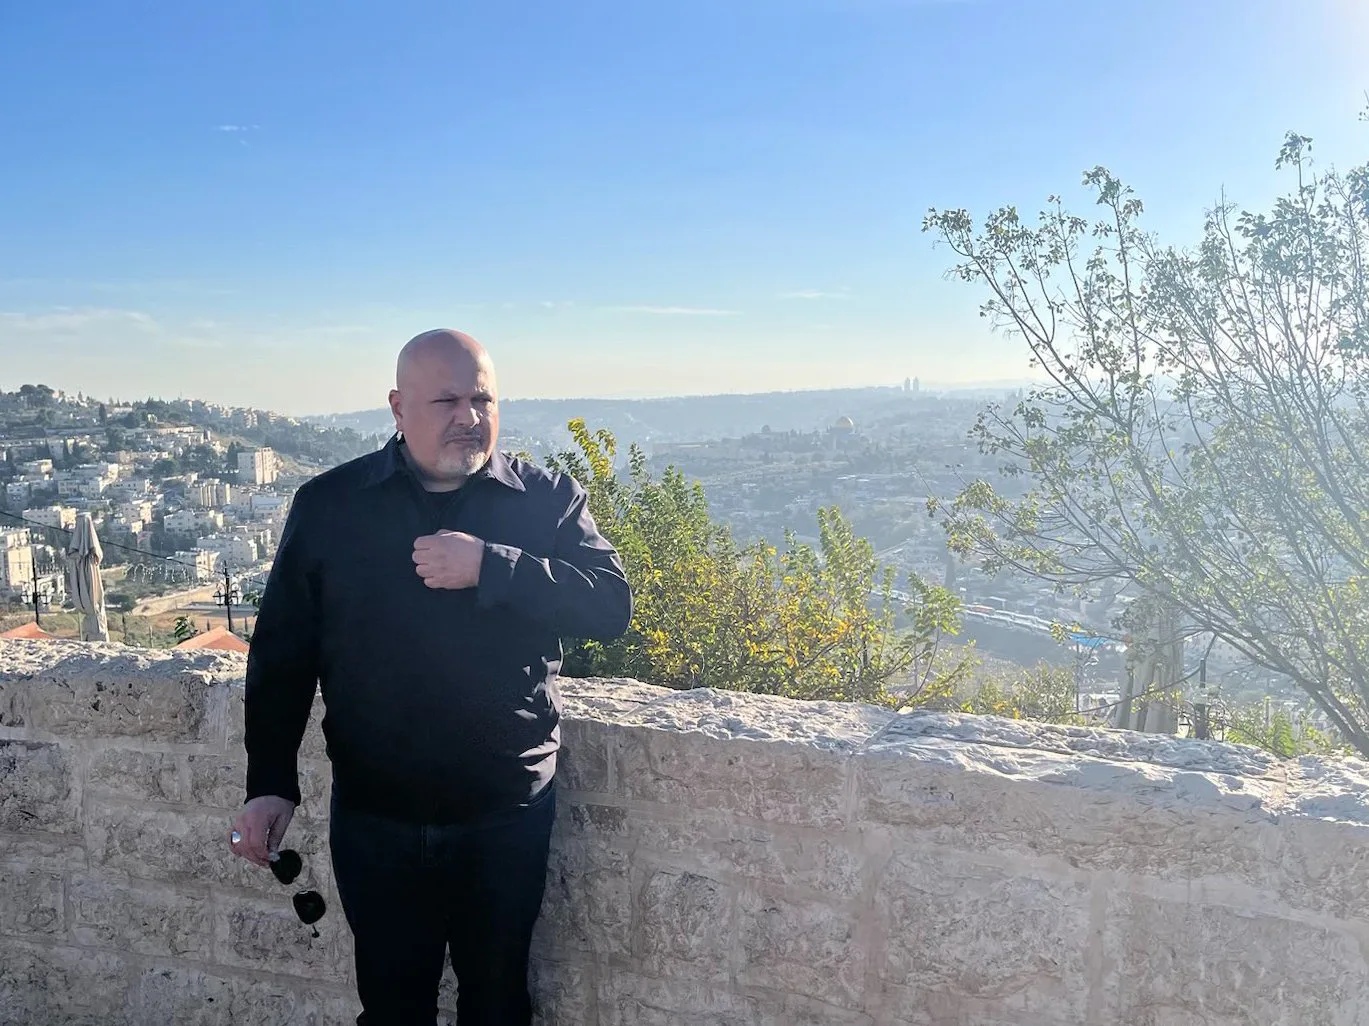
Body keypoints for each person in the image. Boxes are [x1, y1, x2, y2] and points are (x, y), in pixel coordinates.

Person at [228, 329, 633, 1025]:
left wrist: (492, 567)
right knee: (392, 1009)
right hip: (375, 815)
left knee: (497, 1005)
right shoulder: (332, 505)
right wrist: (269, 783)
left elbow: (610, 605)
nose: (468, 417)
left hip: (504, 811)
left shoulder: (544, 499)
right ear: (398, 406)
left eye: (482, 399)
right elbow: (283, 656)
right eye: (447, 400)